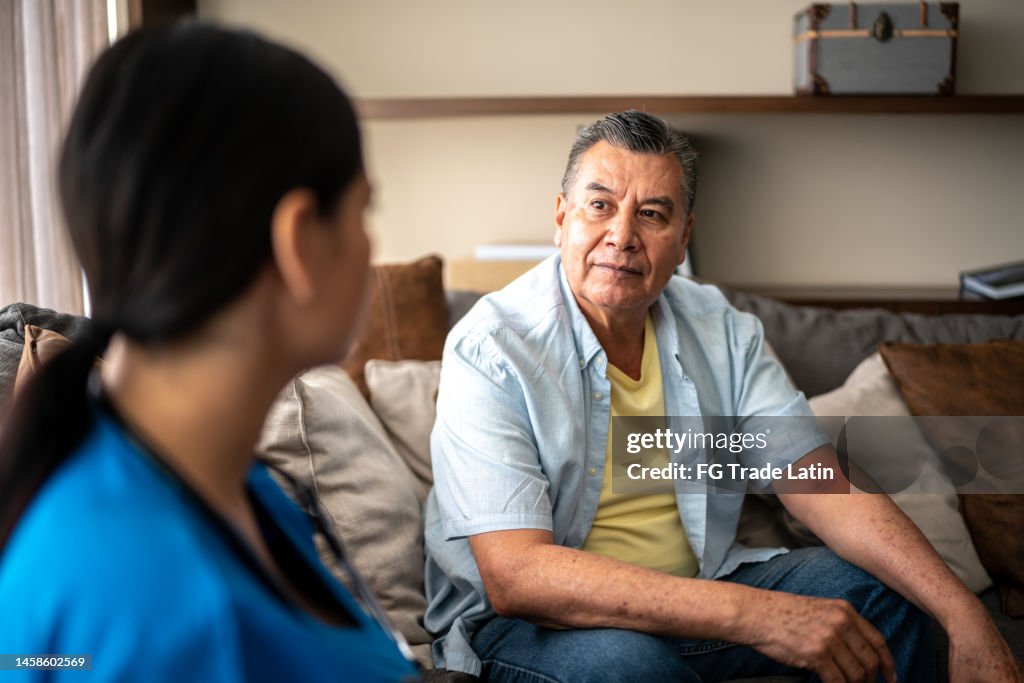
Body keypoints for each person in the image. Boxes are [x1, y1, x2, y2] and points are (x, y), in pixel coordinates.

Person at [423, 110, 1022, 682]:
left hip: (700, 590)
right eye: (600, 206)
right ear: (561, 218)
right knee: (633, 670)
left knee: (881, 601)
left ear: (683, 239)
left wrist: (965, 616)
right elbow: (518, 577)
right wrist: (755, 616)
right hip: (529, 626)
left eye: (652, 214)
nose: (623, 236)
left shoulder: (722, 329)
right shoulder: (491, 348)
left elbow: (817, 482)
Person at [0, 24, 418, 682]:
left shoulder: (235, 485)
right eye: (364, 210)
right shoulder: (165, 615)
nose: (372, 246)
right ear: (300, 241)